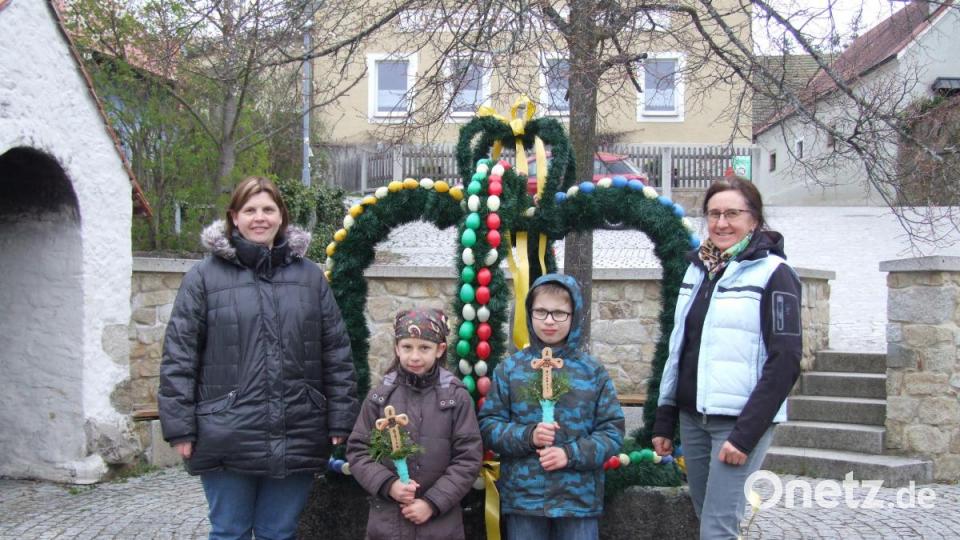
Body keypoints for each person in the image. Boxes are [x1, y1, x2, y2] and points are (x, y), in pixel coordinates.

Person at [158, 176, 359, 540]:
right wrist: (180, 426)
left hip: (297, 426)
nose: (259, 218)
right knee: (230, 531)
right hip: (225, 430)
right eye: (250, 210)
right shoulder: (203, 278)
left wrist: (340, 419)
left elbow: (336, 352)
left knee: (278, 532)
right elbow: (179, 356)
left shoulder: (310, 277)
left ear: (281, 216)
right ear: (234, 217)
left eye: (268, 209)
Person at [652, 176, 802, 540]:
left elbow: (785, 361)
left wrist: (745, 435)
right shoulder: (698, 269)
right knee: (706, 517)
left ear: (754, 219)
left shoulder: (775, 275)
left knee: (718, 527)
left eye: (732, 213)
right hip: (693, 419)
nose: (721, 223)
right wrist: (665, 417)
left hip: (737, 424)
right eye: (714, 214)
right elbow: (680, 349)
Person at [479, 274, 625, 540]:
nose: (549, 321)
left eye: (559, 313)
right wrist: (528, 435)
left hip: (577, 501)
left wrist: (570, 454)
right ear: (529, 313)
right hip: (525, 500)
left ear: (574, 315)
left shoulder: (592, 372)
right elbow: (489, 426)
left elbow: (612, 432)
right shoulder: (510, 369)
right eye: (541, 311)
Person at [347, 308, 483, 540]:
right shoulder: (380, 397)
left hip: (440, 525)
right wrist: (388, 485)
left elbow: (468, 458)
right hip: (388, 525)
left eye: (424, 348)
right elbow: (359, 451)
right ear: (397, 348)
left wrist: (432, 503)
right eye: (407, 347)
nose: (415, 356)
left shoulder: (455, 397)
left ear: (440, 350)